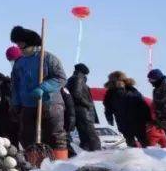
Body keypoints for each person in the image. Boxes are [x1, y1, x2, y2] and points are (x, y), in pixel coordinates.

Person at [10, 26, 68, 159]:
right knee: (27, 137)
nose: (19, 48)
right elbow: (15, 85)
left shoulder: (48, 58)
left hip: (50, 104)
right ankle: (34, 165)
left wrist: (44, 87)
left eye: (21, 45)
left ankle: (60, 165)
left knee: (55, 135)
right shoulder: (19, 63)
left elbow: (61, 78)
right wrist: (16, 103)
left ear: (30, 43)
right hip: (28, 106)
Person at [103, 72, 151, 147]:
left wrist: (148, 118)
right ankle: (139, 156)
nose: (119, 83)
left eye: (120, 81)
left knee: (140, 142)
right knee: (137, 142)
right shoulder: (111, 93)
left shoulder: (131, 90)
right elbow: (108, 108)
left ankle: (143, 156)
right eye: (117, 82)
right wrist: (109, 118)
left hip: (133, 121)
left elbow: (142, 104)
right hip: (129, 122)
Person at [66, 64, 102, 151]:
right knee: (92, 138)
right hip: (83, 113)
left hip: (79, 112)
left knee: (85, 139)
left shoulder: (72, 79)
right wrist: (88, 104)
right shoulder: (78, 78)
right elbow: (76, 94)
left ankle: (86, 157)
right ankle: (96, 157)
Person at [147, 68, 166, 144]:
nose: (150, 83)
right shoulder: (158, 89)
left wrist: (160, 120)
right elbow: (156, 105)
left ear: (156, 78)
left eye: (151, 80)